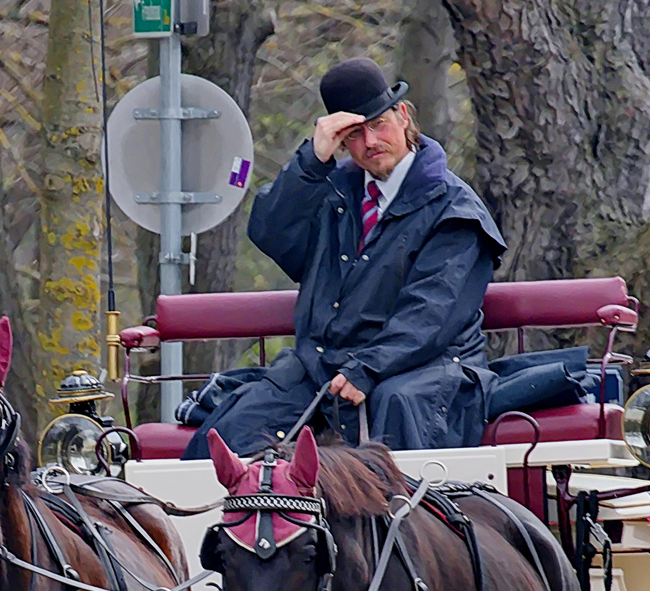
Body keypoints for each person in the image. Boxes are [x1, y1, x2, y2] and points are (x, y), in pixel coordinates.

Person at [183, 57, 506, 459]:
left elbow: (432, 312)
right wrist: (311, 163)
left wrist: (367, 368)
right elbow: (270, 233)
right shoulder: (332, 193)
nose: (370, 143)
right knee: (230, 434)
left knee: (393, 421)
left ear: (403, 116)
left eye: (379, 125)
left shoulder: (454, 209)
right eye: (354, 134)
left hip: (424, 368)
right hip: (322, 367)